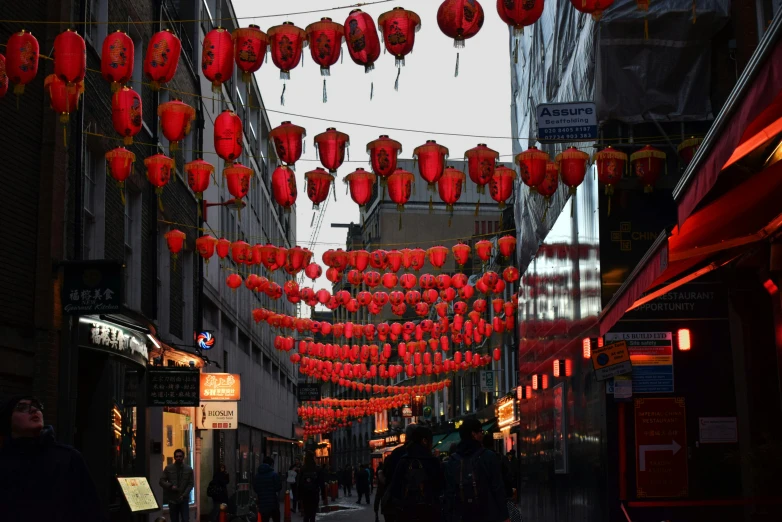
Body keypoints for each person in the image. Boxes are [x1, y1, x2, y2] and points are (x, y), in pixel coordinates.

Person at [0, 395, 107, 522]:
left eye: (37, 406)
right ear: (9, 420)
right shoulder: (5, 460)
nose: (34, 410)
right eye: (22, 408)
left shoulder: (68, 458)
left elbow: (91, 511)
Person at [443, 418, 509, 522]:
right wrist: (505, 515)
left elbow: (449, 493)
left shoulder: (453, 460)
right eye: (481, 432)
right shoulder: (489, 456)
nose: (482, 435)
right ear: (473, 434)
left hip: (461, 516)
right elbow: (498, 488)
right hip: (487, 515)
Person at [385, 425, 443, 522]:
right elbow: (440, 487)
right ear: (425, 441)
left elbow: (394, 487)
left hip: (406, 512)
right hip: (429, 512)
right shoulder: (432, 461)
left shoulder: (403, 460)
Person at [381, 423, 417, 522]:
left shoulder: (397, 453)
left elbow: (389, 477)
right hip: (420, 504)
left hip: (398, 503)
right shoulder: (426, 454)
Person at [161, 448, 195, 522]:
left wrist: (184, 495)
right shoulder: (168, 468)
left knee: (185, 519)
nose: (178, 458)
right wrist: (170, 486)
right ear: (174, 457)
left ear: (183, 457)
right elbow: (161, 481)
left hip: (184, 499)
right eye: (177, 456)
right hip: (172, 499)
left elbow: (191, 483)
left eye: (180, 456)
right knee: (174, 519)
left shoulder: (188, 469)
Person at [297, 451, 324, 522]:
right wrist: (323, 495)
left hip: (305, 494)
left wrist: (299, 496)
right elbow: (321, 483)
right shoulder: (317, 468)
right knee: (313, 513)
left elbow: (299, 483)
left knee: (306, 512)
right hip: (314, 493)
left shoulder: (303, 469)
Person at [253, 456, 282, 522]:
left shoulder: (257, 476)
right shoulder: (274, 475)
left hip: (262, 504)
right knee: (276, 518)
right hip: (273, 503)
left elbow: (255, 488)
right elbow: (279, 487)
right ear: (271, 464)